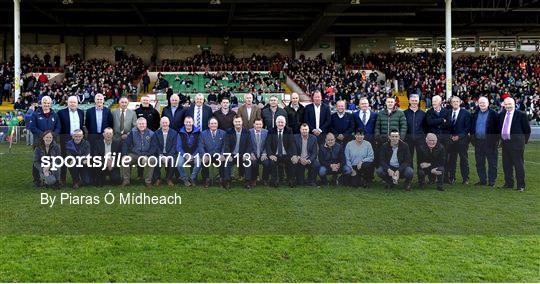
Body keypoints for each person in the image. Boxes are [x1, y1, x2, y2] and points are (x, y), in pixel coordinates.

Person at [499, 97, 531, 192]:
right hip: (505, 143)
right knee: (506, 165)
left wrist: (523, 142)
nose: (508, 106)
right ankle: (508, 183)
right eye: (506, 104)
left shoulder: (521, 115)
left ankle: (521, 185)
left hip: (517, 144)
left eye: (510, 104)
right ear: (503, 105)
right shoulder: (502, 114)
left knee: (518, 165)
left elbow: (527, 130)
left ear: (514, 104)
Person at [29, 96, 61, 187]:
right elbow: (32, 127)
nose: (46, 105)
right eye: (44, 103)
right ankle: (37, 180)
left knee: (54, 159)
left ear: (50, 104)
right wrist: (44, 135)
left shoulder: (54, 114)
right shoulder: (35, 114)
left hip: (52, 141)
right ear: (41, 103)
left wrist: (51, 136)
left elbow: (58, 127)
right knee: (37, 160)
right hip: (38, 141)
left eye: (48, 103)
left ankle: (54, 180)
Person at [470, 96, 499, 187]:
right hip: (478, 142)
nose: (482, 104)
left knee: (492, 163)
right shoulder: (475, 114)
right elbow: (472, 127)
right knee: (479, 162)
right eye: (480, 103)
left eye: (484, 102)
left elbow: (498, 128)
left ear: (488, 104)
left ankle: (491, 181)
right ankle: (482, 180)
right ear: (478, 104)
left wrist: (496, 140)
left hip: (490, 142)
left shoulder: (494, 114)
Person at [57, 95, 85, 184]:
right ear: (67, 103)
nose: (73, 104)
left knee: (77, 159)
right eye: (71, 102)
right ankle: (62, 179)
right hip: (66, 139)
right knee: (65, 159)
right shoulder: (61, 112)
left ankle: (76, 180)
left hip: (78, 140)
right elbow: (59, 126)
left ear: (77, 103)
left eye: (74, 102)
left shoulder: (81, 112)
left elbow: (81, 126)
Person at [121, 117, 155, 187]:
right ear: (137, 125)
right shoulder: (133, 132)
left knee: (152, 160)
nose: (142, 125)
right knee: (125, 160)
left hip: (146, 155)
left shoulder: (151, 133)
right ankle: (126, 181)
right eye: (140, 124)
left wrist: (147, 155)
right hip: (135, 154)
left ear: (146, 124)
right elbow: (126, 144)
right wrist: (124, 154)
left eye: (143, 124)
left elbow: (153, 147)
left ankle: (148, 181)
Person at [265, 115, 297, 188]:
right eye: (279, 122)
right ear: (276, 123)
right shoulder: (271, 131)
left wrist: (294, 155)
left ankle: (291, 180)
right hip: (275, 154)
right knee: (272, 162)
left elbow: (292, 143)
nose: (280, 124)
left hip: (286, 154)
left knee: (291, 161)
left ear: (285, 123)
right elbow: (268, 144)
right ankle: (275, 180)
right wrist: (270, 155)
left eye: (282, 122)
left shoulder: (289, 130)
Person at [445, 96, 471, 185]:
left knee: (463, 159)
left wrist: (459, 136)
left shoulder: (466, 113)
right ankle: (451, 177)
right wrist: (450, 136)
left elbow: (467, 127)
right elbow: (447, 127)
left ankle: (465, 178)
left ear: (460, 102)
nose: (455, 103)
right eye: (453, 101)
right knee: (451, 159)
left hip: (462, 140)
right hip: (451, 140)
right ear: (451, 103)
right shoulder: (448, 113)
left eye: (457, 101)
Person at [222, 116, 253, 189]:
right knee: (227, 162)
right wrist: (228, 155)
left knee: (248, 162)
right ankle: (227, 181)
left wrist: (247, 154)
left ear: (242, 122)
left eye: (239, 121)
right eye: (236, 122)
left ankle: (247, 181)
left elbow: (249, 145)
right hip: (232, 155)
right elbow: (226, 145)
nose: (237, 123)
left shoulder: (247, 132)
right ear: (233, 122)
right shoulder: (229, 132)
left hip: (242, 155)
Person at [197, 117, 226, 188]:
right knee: (204, 162)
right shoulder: (203, 134)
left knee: (223, 162)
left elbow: (225, 146)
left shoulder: (223, 133)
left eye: (215, 123)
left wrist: (222, 155)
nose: (213, 125)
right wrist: (204, 155)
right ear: (208, 125)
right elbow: (200, 146)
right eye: (212, 123)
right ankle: (206, 180)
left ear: (217, 124)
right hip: (208, 155)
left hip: (218, 155)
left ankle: (221, 180)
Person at [151, 117, 178, 186]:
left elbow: (174, 146)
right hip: (159, 153)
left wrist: (169, 155)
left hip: (170, 154)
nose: (165, 124)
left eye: (166, 122)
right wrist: (161, 155)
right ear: (160, 123)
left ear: (169, 123)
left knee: (172, 161)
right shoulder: (156, 133)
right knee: (156, 161)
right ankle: (157, 179)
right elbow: (155, 146)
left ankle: (169, 178)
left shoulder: (174, 133)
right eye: (163, 123)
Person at [176, 116, 201, 186]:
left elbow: (200, 146)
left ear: (193, 122)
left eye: (190, 122)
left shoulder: (198, 132)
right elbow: (178, 147)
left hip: (195, 154)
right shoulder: (180, 133)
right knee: (179, 164)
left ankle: (192, 178)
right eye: (186, 122)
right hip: (183, 154)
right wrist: (185, 155)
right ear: (184, 123)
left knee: (198, 163)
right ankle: (185, 179)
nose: (188, 124)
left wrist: (193, 155)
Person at [403, 94, 426, 165]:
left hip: (420, 139)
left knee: (421, 158)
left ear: (418, 101)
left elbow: (425, 127)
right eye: (412, 100)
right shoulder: (404, 113)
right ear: (409, 101)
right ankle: (409, 174)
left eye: (416, 100)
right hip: (408, 139)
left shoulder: (423, 113)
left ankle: (420, 175)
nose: (414, 102)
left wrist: (424, 136)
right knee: (408, 159)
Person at [248, 118, 269, 187]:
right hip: (253, 153)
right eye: (256, 124)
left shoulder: (266, 132)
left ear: (262, 125)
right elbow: (248, 144)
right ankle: (254, 179)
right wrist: (251, 153)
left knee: (267, 163)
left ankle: (265, 179)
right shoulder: (249, 132)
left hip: (262, 153)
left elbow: (267, 144)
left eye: (260, 124)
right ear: (254, 124)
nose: (258, 126)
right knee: (253, 163)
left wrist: (265, 153)